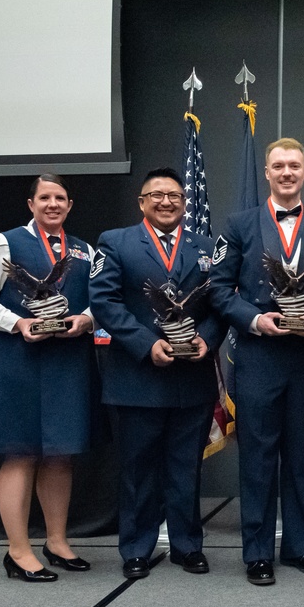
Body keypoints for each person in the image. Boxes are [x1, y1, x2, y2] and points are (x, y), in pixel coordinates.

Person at [209, 138, 304, 586]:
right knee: (258, 457)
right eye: (278, 166)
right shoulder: (238, 225)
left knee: (300, 455)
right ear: (266, 172)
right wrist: (256, 319)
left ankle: (301, 546)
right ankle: (257, 551)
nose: (286, 173)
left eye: (294, 166)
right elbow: (219, 290)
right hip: (258, 356)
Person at [89, 167, 223, 579]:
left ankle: (187, 546)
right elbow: (105, 302)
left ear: (185, 202)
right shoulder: (114, 243)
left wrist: (207, 339)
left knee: (186, 468)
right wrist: (147, 345)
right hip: (137, 377)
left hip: (192, 376)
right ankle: (136, 549)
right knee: (138, 470)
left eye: (175, 196)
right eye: (157, 195)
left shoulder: (206, 247)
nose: (167, 202)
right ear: (142, 202)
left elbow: (220, 303)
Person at [0, 173, 95, 582]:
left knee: (60, 453)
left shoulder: (85, 250)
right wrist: (18, 322)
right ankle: (18, 550)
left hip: (67, 362)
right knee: (20, 452)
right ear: (31, 203)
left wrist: (86, 320)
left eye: (60, 198)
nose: (52, 204)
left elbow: (100, 301)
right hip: (17, 361)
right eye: (45, 197)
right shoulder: (5, 242)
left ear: (70, 205)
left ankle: (56, 541)